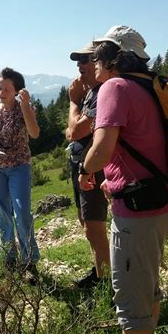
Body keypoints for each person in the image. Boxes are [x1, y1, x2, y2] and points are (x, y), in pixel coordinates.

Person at [78, 26, 168, 334]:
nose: (93, 64)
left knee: (131, 296)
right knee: (147, 284)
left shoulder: (114, 87)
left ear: (111, 57)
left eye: (96, 57)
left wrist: (86, 169)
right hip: (163, 200)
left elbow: (101, 150)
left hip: (139, 209)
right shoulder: (151, 86)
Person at [0, 67, 40, 283]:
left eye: (6, 88)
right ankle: (9, 258)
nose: (1, 92)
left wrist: (25, 106)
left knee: (22, 213)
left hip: (18, 167)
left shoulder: (25, 108)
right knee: (2, 215)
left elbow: (34, 133)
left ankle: (29, 261)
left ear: (17, 90)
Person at [66, 42, 109, 288]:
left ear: (100, 62)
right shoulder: (91, 92)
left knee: (94, 226)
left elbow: (75, 130)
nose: (80, 66)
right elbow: (71, 131)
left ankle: (105, 284)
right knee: (87, 222)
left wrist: (73, 102)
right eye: (78, 61)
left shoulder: (101, 92)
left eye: (85, 60)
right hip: (81, 164)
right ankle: (99, 271)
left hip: (92, 167)